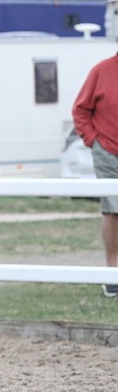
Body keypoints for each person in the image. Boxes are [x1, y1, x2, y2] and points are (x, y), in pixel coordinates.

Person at [72, 50, 118, 298]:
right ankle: (112, 274)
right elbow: (80, 110)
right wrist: (93, 141)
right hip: (108, 152)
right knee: (112, 211)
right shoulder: (101, 71)